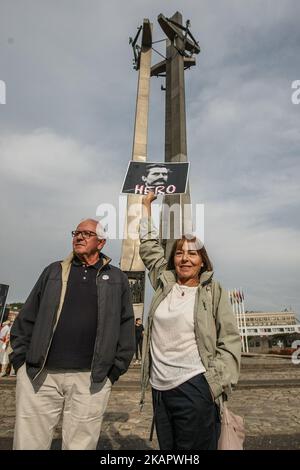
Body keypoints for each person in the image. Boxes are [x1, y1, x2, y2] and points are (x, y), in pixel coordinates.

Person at [10, 218, 135, 450]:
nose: (79, 237)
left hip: (90, 378)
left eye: (87, 234)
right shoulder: (53, 271)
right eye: (76, 232)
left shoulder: (117, 278)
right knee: (29, 443)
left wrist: (114, 371)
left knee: (80, 445)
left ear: (101, 243)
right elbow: (27, 316)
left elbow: (126, 326)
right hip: (40, 375)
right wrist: (20, 361)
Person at [139, 193, 241, 450]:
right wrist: (145, 206)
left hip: (195, 387)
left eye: (192, 254)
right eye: (180, 253)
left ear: (202, 261)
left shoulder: (212, 291)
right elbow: (149, 247)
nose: (185, 258)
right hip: (160, 389)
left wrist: (213, 385)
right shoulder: (165, 283)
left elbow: (229, 340)